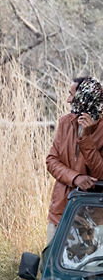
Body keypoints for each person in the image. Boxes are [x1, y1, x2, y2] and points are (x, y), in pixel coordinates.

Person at [45, 77, 103, 242]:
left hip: (93, 218)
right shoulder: (65, 122)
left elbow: (100, 172)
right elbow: (51, 160)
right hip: (61, 211)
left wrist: (86, 137)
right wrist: (75, 178)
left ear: (86, 98)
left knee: (89, 266)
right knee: (51, 262)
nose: (68, 100)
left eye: (72, 95)